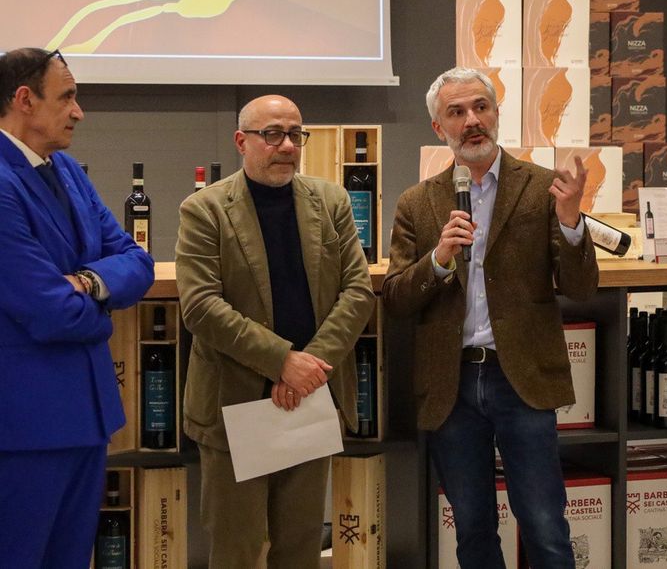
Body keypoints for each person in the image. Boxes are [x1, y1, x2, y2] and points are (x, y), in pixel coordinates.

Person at [382, 67, 599, 568]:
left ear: (497, 113)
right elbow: (395, 298)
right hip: (451, 383)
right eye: (456, 112)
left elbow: (581, 288)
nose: (471, 121)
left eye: (481, 107)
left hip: (521, 376)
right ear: (439, 127)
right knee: (473, 527)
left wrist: (571, 222)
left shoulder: (543, 188)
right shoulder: (417, 203)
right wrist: (438, 259)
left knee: (545, 525)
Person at [175, 95, 375, 568]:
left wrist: (308, 369)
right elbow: (201, 307)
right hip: (235, 403)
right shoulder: (205, 209)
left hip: (309, 398)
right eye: (271, 134)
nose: (286, 145)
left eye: (295, 134)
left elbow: (358, 291)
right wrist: (283, 361)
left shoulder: (331, 201)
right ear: (241, 141)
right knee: (237, 550)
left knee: (301, 547)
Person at [0, 47, 155, 566]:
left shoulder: (65, 169)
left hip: (85, 418)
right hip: (23, 426)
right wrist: (105, 307)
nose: (78, 112)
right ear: (25, 99)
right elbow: (50, 312)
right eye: (66, 97)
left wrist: (87, 281)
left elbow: (137, 260)